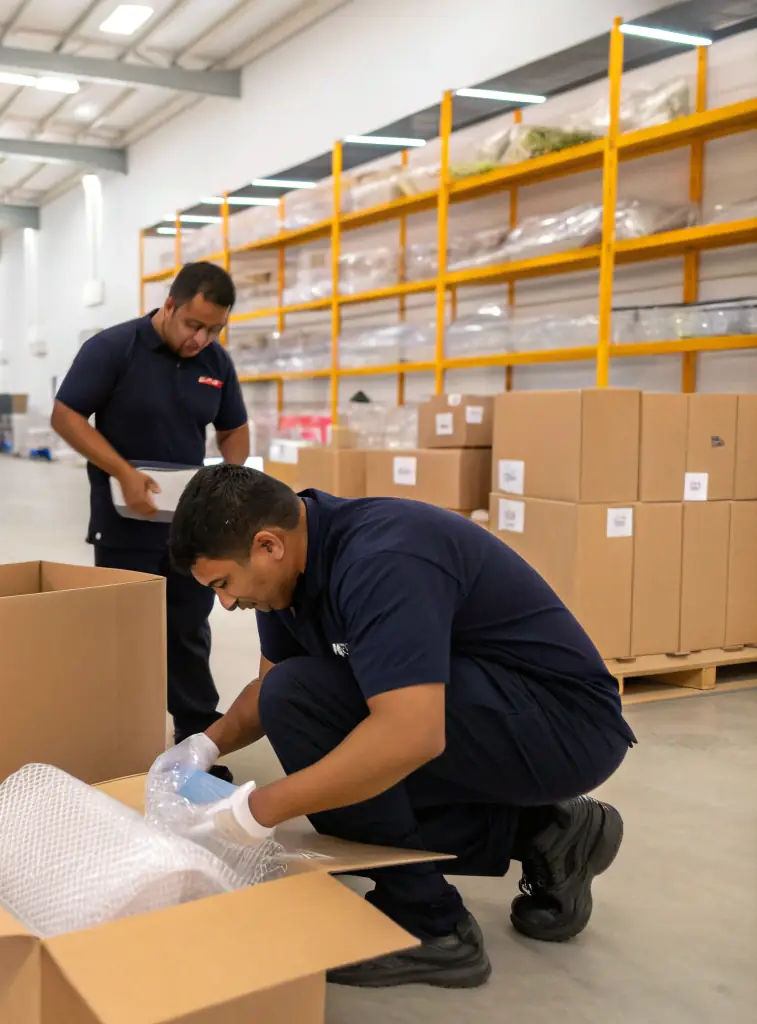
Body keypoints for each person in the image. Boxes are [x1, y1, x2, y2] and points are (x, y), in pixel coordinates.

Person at [154, 465, 634, 988]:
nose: (226, 602)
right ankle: (546, 834)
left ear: (268, 545)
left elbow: (411, 735)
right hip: (493, 713)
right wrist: (203, 745)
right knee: (315, 741)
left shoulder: (383, 559)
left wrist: (254, 811)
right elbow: (266, 692)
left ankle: (431, 927)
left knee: (321, 727)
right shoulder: (286, 575)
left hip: (565, 727)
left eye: (224, 584)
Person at [51, 263, 250, 765]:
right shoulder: (114, 348)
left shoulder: (217, 363)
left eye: (214, 329)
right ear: (169, 306)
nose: (201, 338)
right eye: (193, 325)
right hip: (123, 522)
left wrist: (229, 484)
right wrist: (122, 472)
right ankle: (120, 741)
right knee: (126, 634)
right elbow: (66, 415)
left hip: (187, 526)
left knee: (187, 628)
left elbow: (233, 429)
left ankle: (194, 744)